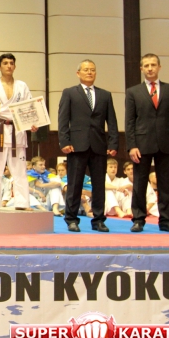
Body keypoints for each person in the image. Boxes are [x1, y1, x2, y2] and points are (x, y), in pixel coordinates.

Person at [58, 59, 119, 233]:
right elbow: (63, 119)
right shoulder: (69, 93)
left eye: (92, 70)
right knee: (75, 184)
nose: (89, 72)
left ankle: (99, 220)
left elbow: (112, 122)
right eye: (86, 70)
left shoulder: (105, 95)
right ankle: (71, 219)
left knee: (99, 185)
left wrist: (113, 143)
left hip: (99, 145)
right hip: (76, 145)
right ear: (78, 73)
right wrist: (64, 141)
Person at [126, 53, 169, 233]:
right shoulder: (133, 92)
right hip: (141, 143)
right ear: (141, 69)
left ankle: (166, 220)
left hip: (166, 142)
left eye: (153, 65)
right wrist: (132, 145)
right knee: (139, 183)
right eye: (146, 65)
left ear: (159, 67)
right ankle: (138, 219)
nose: (150, 68)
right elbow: (130, 121)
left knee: (165, 183)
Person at [0, 53, 37, 211]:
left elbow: (29, 108)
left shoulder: (22, 86)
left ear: (15, 66)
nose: (9, 66)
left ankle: (22, 203)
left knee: (19, 169)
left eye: (11, 63)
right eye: (5, 63)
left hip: (17, 130)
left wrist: (32, 123)